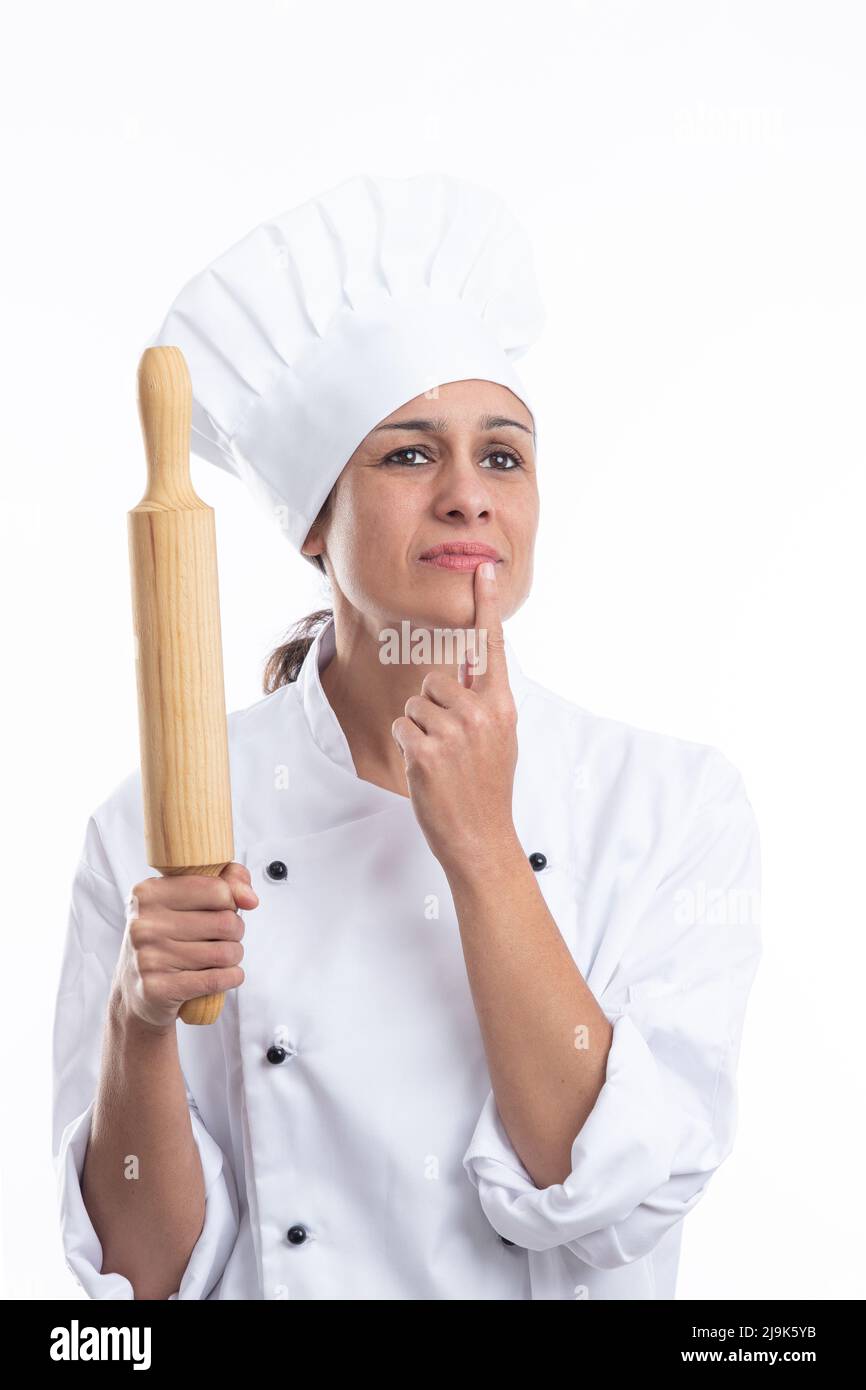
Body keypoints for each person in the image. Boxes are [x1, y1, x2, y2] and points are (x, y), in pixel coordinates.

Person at [52, 171, 762, 1301]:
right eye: (407, 453)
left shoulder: (669, 805)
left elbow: (604, 1199)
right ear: (311, 527)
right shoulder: (160, 820)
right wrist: (137, 1022)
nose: (468, 496)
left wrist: (480, 842)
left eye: (502, 455)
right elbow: (142, 1284)